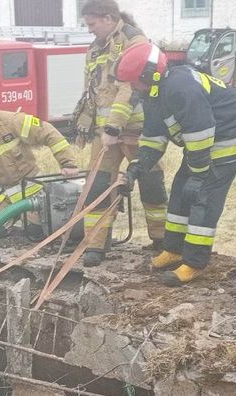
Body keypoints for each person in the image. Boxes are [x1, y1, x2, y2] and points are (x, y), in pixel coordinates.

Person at [116, 42, 236, 286]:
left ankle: (194, 263)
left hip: (231, 136)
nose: (131, 87)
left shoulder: (180, 88)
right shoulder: (153, 93)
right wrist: (136, 168)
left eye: (133, 81)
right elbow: (153, 136)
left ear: (150, 74)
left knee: (203, 197)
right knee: (180, 191)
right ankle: (175, 249)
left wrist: (199, 176)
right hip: (203, 140)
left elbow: (200, 132)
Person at [73, 0, 168, 266]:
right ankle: (96, 244)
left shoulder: (134, 41)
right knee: (98, 186)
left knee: (151, 185)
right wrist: (90, 122)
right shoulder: (94, 47)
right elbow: (91, 90)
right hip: (104, 133)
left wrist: (114, 125)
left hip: (136, 128)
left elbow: (131, 87)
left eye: (92, 23)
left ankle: (162, 240)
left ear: (108, 18)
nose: (89, 29)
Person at [0, 92, 79, 226]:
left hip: (28, 188)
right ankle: (12, 220)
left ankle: (24, 219)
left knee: (36, 228)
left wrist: (67, 162)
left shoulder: (12, 121)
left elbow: (48, 133)